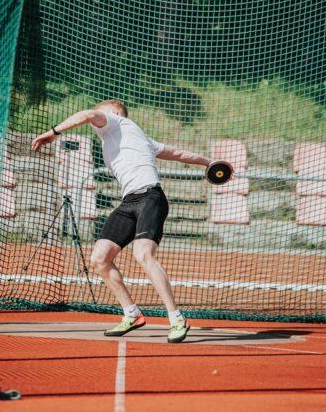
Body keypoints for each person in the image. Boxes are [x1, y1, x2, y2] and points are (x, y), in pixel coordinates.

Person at [31, 99, 211, 343]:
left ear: (114, 113)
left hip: (150, 197)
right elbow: (178, 154)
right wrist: (208, 162)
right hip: (129, 203)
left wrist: (52, 133)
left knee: (144, 255)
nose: (96, 118)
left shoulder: (116, 122)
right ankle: (132, 314)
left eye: (100, 112)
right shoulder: (137, 138)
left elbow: (86, 114)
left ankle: (176, 318)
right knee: (99, 258)